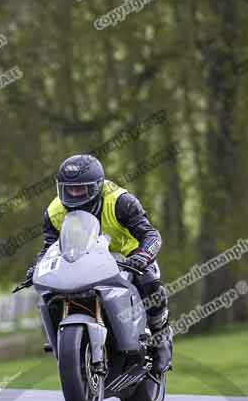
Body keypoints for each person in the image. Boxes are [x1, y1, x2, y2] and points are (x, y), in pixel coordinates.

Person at [26, 154, 173, 373]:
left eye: (81, 189)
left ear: (96, 186)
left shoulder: (121, 201)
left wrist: (142, 256)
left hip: (128, 255)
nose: (74, 194)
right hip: (87, 257)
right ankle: (64, 340)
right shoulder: (54, 212)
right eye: (69, 189)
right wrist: (38, 266)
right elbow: (50, 246)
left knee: (150, 281)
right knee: (50, 289)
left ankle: (161, 337)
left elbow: (151, 235)